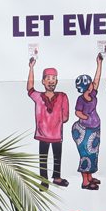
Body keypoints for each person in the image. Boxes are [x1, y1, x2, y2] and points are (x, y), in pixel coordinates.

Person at [27, 57, 71, 187]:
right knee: (43, 158)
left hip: (57, 134)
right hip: (43, 134)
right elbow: (30, 88)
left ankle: (57, 177)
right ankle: (44, 180)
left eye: (53, 79)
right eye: (48, 78)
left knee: (57, 156)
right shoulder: (39, 97)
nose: (51, 81)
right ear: (43, 81)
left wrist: (56, 120)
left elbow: (66, 115)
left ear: (56, 81)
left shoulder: (62, 96)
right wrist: (31, 68)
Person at [71, 55, 104, 190]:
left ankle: (90, 177)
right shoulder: (81, 99)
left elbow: (97, 79)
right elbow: (77, 112)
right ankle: (85, 181)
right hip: (85, 131)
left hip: (94, 130)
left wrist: (99, 64)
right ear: (86, 87)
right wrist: (85, 117)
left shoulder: (93, 94)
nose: (93, 84)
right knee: (86, 154)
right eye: (90, 83)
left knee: (93, 154)